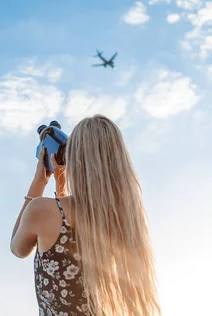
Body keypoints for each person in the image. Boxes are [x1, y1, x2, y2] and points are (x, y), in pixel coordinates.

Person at [10, 114, 161, 316]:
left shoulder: (41, 211)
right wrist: (61, 186)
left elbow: (17, 248)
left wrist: (39, 181)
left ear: (76, 158)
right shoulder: (121, 222)